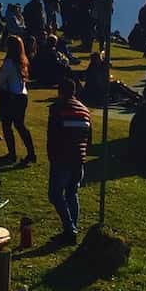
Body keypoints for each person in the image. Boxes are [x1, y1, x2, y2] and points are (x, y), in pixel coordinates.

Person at [45, 76, 92, 243]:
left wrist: (51, 155)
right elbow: (89, 139)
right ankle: (72, 229)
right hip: (79, 158)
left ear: (60, 92)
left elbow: (53, 135)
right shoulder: (85, 110)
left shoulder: (58, 108)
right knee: (72, 193)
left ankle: (70, 228)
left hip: (62, 157)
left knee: (55, 194)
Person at [0, 35, 36, 165]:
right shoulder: (22, 61)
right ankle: (31, 153)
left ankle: (12, 154)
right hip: (22, 96)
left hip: (11, 96)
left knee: (7, 126)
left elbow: (2, 81)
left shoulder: (9, 62)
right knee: (20, 125)